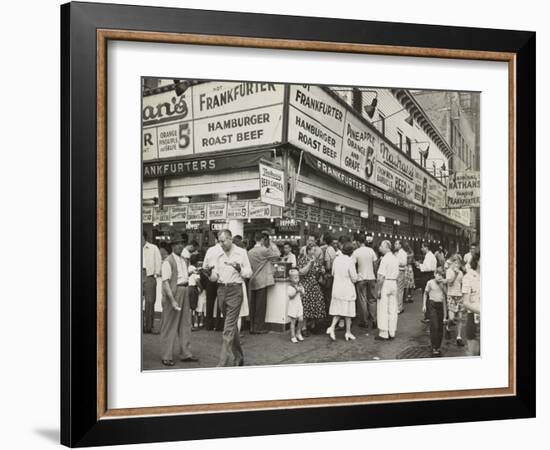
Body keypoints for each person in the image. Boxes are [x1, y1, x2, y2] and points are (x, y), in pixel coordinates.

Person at [208, 229, 252, 367]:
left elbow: (249, 273)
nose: (220, 244)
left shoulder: (241, 252)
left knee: (227, 328)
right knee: (232, 325)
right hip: (221, 290)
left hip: (235, 290)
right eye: (219, 241)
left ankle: (222, 362)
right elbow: (214, 276)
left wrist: (240, 269)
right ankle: (239, 357)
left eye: (222, 241)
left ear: (230, 239)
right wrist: (210, 274)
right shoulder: (217, 254)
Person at [159, 239, 197, 366]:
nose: (180, 246)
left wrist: (194, 271)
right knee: (169, 325)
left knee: (185, 324)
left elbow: (182, 276)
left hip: (185, 290)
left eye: (182, 244)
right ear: (172, 246)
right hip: (174, 292)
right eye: (177, 244)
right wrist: (172, 300)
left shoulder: (183, 260)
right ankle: (166, 356)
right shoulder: (168, 261)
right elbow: (165, 283)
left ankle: (186, 353)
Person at [247, 231, 280, 334]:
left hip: (253, 280)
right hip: (262, 280)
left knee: (253, 305)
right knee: (261, 306)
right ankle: (259, 327)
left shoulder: (250, 252)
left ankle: (252, 326)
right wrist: (272, 244)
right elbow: (278, 255)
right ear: (262, 240)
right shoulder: (264, 250)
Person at [326, 242, 358, 341]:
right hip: (347, 289)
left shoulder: (336, 259)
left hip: (337, 288)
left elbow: (333, 273)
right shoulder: (350, 261)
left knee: (339, 310)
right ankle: (335, 329)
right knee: (347, 311)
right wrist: (357, 276)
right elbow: (354, 278)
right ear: (351, 252)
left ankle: (347, 332)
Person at [297, 242, 326, 335]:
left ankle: (312, 325)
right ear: (308, 251)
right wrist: (310, 263)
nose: (315, 251)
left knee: (315, 305)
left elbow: (319, 271)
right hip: (306, 284)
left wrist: (322, 271)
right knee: (306, 306)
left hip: (314, 284)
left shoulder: (316, 260)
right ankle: (304, 327)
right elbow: (301, 272)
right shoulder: (303, 259)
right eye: (313, 250)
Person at [351, 234, 378, 330]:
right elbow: (375, 263)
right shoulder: (371, 251)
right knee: (372, 300)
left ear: (358, 242)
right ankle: (374, 321)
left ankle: (364, 322)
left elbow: (351, 265)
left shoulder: (356, 252)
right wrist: (375, 274)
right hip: (371, 278)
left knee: (362, 300)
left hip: (361, 279)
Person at [375, 240, 399, 341]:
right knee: (393, 309)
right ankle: (392, 332)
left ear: (386, 247)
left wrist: (378, 290)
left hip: (386, 283)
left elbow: (381, 277)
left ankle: (384, 333)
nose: (380, 248)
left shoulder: (385, 259)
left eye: (381, 246)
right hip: (394, 283)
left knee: (383, 308)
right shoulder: (394, 258)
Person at [423, 267, 448, 356]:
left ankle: (438, 346)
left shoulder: (443, 284)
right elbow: (425, 294)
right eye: (438, 275)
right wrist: (424, 305)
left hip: (440, 305)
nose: (439, 277)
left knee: (440, 327)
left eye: (441, 275)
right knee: (435, 326)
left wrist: (445, 315)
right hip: (432, 304)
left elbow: (445, 298)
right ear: (434, 274)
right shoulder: (430, 283)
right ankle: (434, 346)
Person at [202, 238, 224, 331]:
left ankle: (208, 325)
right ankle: (219, 325)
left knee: (209, 302)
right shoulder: (224, 250)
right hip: (221, 278)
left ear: (215, 240)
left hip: (210, 278)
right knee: (220, 303)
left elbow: (204, 266)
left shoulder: (210, 250)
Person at [142, 231, 162, 334]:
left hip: (149, 275)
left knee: (150, 302)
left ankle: (148, 327)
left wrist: (156, 274)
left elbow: (158, 261)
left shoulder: (153, 248)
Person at [462, 251, 480, 356]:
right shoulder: (469, 277)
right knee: (474, 354)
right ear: (477, 260)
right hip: (474, 320)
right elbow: (466, 302)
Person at [444, 254, 465, 346]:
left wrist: (464, 295)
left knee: (460, 317)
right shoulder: (449, 271)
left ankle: (459, 337)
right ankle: (448, 326)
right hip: (451, 295)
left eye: (458, 262)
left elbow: (462, 284)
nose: (457, 264)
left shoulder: (461, 272)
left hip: (459, 296)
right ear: (452, 262)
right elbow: (450, 283)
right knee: (452, 318)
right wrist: (455, 274)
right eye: (455, 262)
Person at [416, 242, 437, 323]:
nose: (421, 249)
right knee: (429, 295)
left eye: (422, 247)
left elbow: (427, 268)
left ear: (426, 247)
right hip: (430, 275)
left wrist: (420, 265)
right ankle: (429, 315)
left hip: (427, 276)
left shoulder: (429, 256)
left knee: (426, 295)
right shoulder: (431, 256)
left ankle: (428, 316)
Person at [287, 268, 305, 343]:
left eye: (297, 277)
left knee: (301, 319)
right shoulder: (290, 287)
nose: (297, 279)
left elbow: (303, 293)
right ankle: (293, 336)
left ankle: (298, 333)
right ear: (290, 279)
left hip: (299, 305)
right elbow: (291, 296)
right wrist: (296, 291)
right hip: (292, 306)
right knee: (293, 322)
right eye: (295, 277)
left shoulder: (300, 285)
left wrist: (301, 291)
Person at [394, 240, 408, 314]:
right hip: (397, 271)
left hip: (400, 271)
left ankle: (399, 307)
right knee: (397, 290)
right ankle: (397, 306)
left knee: (399, 290)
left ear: (400, 245)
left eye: (396, 244)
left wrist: (395, 261)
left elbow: (404, 263)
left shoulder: (403, 253)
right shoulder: (397, 253)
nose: (395, 245)